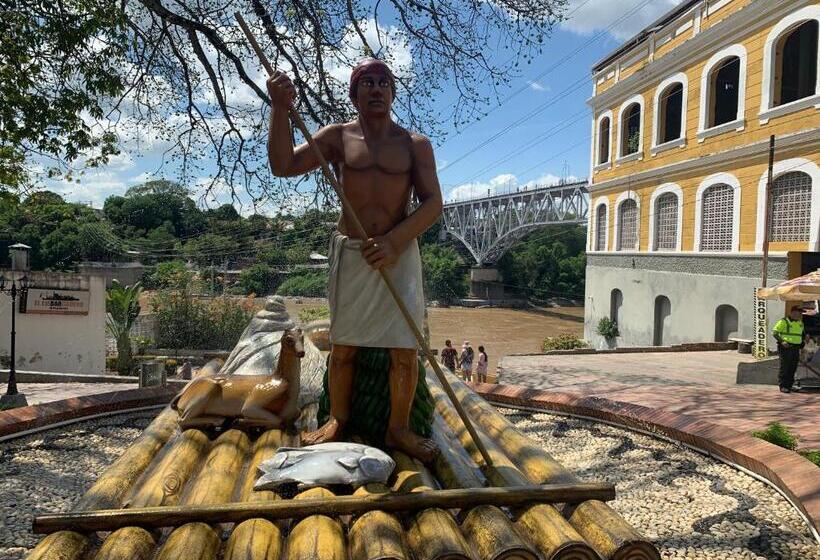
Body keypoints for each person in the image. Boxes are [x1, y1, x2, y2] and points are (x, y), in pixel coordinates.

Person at [267, 58, 443, 462]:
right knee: (344, 344)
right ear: (354, 94)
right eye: (367, 83)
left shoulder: (414, 144)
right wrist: (279, 109)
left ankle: (399, 429)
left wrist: (395, 241)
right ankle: (338, 419)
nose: (376, 89)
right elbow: (283, 165)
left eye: (384, 82)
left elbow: (433, 203)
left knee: (404, 349)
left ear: (393, 93)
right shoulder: (338, 137)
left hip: (399, 254)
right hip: (353, 252)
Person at [772, 306, 807, 393]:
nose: (800, 314)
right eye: (799, 312)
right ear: (793, 312)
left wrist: (805, 339)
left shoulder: (800, 323)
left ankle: (790, 385)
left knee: (793, 367)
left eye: (801, 313)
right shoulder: (784, 321)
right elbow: (775, 333)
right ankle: (783, 386)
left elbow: (802, 334)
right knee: (785, 367)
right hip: (786, 347)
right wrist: (782, 341)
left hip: (796, 347)